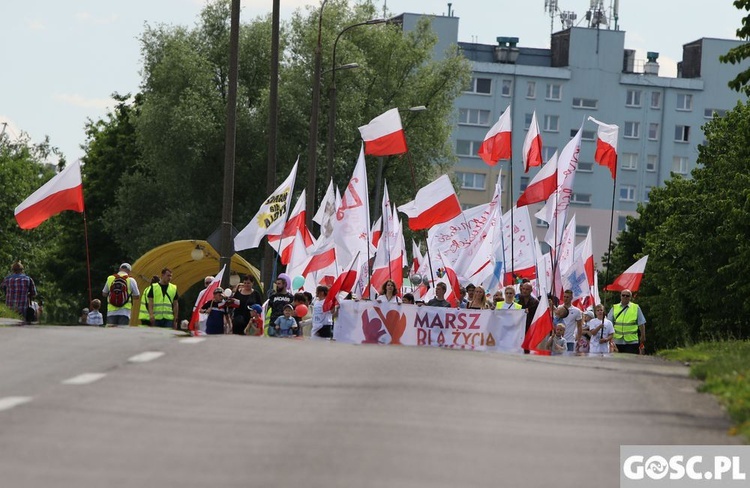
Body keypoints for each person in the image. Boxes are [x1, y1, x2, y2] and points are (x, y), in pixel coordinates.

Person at [607, 289, 647, 354]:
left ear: (630, 297)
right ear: (620, 296)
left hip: (632, 341)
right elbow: (609, 324)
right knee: (617, 361)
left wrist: (643, 336)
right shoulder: (614, 307)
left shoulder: (636, 307)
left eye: (627, 296)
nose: (625, 297)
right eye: (623, 295)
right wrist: (609, 338)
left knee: (630, 361)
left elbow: (641, 323)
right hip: (617, 341)